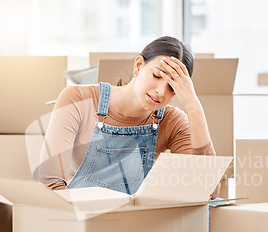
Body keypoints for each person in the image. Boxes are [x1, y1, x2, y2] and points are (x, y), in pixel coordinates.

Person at [37, 36, 219, 196]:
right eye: (156, 76)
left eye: (173, 87)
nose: (160, 92)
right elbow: (49, 184)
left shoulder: (172, 121)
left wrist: (194, 107)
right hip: (80, 221)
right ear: (139, 65)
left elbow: (207, 190)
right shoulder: (77, 99)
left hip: (135, 224)